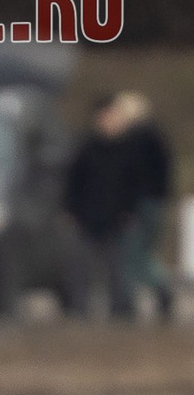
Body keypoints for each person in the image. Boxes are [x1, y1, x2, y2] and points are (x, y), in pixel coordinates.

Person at [63, 91, 175, 322]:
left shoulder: (134, 143)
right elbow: (74, 181)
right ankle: (85, 308)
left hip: (120, 215)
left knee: (125, 262)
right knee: (87, 265)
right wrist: (72, 210)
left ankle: (128, 306)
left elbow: (136, 183)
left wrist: (130, 210)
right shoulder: (87, 147)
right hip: (91, 215)